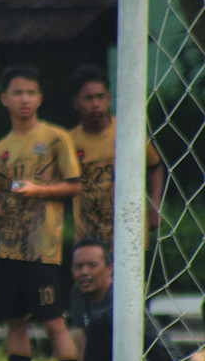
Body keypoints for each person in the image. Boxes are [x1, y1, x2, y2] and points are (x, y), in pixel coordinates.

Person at [0, 66, 81, 361]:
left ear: (39, 98)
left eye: (30, 93)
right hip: (5, 247)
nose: (24, 99)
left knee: (54, 320)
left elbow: (75, 185)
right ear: (5, 99)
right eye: (17, 93)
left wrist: (39, 190)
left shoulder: (56, 138)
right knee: (14, 321)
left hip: (43, 247)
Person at [50, 237, 182, 361]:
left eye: (92, 265)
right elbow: (82, 342)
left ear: (110, 269)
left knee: (99, 321)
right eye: (78, 267)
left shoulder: (121, 294)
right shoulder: (77, 293)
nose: (84, 272)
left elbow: (129, 347)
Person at [67, 65, 164, 247]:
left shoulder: (128, 132)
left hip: (129, 233)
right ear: (75, 103)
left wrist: (155, 204)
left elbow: (155, 166)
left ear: (109, 99)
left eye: (100, 97)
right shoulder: (68, 142)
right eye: (88, 98)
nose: (95, 104)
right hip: (89, 239)